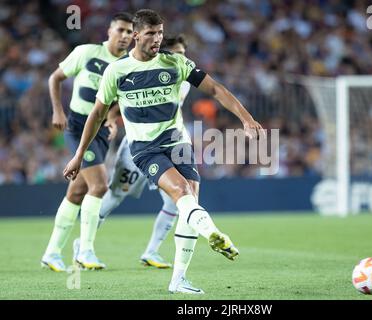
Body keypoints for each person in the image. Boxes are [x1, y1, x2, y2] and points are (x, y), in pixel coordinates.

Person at [63, 9, 264, 294]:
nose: (157, 38)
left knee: (188, 200)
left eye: (159, 33)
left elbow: (216, 89)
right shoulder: (117, 71)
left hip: (178, 143)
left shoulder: (176, 63)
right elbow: (97, 114)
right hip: (145, 148)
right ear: (136, 36)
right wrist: (79, 154)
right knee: (179, 192)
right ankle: (212, 233)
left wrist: (246, 118)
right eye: (150, 33)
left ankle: (179, 279)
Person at [73, 35, 191, 269]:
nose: (181, 57)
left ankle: (152, 251)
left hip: (168, 147)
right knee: (117, 194)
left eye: (183, 53)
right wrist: (112, 119)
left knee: (175, 201)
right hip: (138, 148)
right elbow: (115, 103)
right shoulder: (147, 74)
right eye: (176, 52)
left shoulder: (183, 79)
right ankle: (82, 244)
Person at [41, 12, 133, 272]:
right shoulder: (87, 52)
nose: (125, 36)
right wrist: (58, 110)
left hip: (101, 132)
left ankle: (51, 252)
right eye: (121, 30)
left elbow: (119, 101)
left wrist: (113, 118)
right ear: (110, 31)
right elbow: (55, 78)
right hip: (78, 125)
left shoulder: (129, 64)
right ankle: (86, 250)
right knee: (100, 185)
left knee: (77, 192)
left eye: (129, 32)